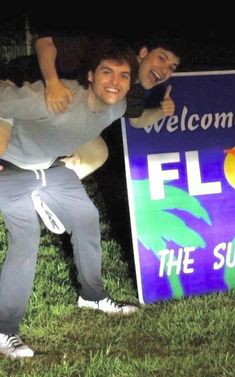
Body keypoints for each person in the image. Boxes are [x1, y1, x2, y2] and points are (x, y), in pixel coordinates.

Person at [0, 39, 139, 360]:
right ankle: (5, 330)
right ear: (90, 76)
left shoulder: (116, 108)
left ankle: (92, 296)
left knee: (87, 220)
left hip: (51, 166)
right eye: (107, 73)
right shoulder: (52, 99)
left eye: (123, 76)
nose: (115, 82)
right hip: (11, 169)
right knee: (26, 243)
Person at [34, 33, 181, 178]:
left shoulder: (136, 86)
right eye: (161, 58)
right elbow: (45, 42)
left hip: (62, 121)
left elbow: (136, 120)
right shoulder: (103, 50)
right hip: (31, 95)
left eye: (171, 67)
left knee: (97, 153)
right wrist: (52, 82)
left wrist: (162, 111)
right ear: (143, 53)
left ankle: (49, 186)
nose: (164, 70)